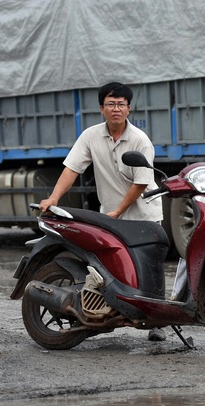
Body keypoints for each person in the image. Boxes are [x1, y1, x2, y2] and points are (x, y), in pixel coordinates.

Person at [39, 82, 166, 342]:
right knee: (110, 264)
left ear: (129, 108)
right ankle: (113, 310)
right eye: (110, 104)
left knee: (150, 266)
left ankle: (157, 323)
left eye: (121, 104)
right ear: (101, 108)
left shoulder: (140, 139)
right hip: (111, 214)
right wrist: (53, 197)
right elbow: (72, 169)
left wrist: (118, 211)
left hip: (143, 213)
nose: (116, 109)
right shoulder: (90, 136)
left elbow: (140, 182)